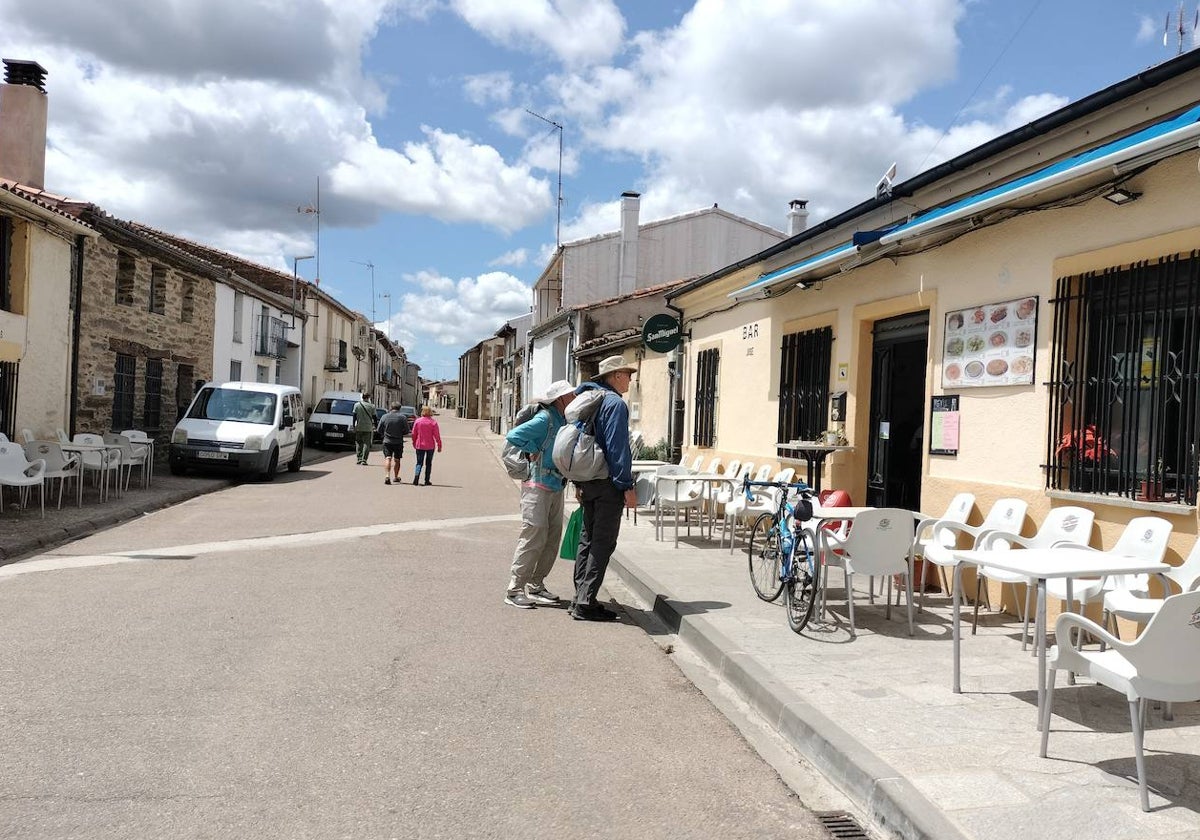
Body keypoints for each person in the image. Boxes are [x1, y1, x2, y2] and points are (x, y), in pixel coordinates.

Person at [570, 355, 638, 622]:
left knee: (587, 539)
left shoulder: (589, 402)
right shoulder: (614, 404)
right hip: (607, 483)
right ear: (615, 376)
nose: (630, 379)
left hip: (587, 479)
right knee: (603, 542)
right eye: (627, 374)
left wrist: (577, 482)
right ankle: (586, 604)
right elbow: (617, 448)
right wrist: (626, 485)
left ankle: (580, 597)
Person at [503, 380, 576, 609]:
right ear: (561, 399)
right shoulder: (545, 418)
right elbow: (515, 435)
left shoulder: (563, 419)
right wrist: (534, 450)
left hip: (555, 485)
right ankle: (515, 589)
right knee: (533, 536)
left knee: (551, 539)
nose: (574, 398)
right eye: (571, 395)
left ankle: (536, 585)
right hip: (537, 486)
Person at [376, 402, 410, 485]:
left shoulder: (384, 416)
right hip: (398, 442)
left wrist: (384, 433)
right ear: (399, 408)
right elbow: (406, 430)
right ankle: (396, 476)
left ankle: (387, 476)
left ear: (391, 407)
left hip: (387, 441)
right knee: (397, 459)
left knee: (388, 458)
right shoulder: (402, 417)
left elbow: (378, 429)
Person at [410, 405, 442, 485]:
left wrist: (414, 442)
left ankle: (416, 478)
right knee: (428, 463)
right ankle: (427, 480)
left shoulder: (418, 421)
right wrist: (439, 445)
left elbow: (414, 433)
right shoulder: (433, 422)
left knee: (419, 462)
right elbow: (437, 435)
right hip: (430, 445)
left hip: (420, 445)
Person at [352, 392, 377, 465]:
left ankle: (359, 458)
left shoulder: (357, 405)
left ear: (362, 397)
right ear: (368, 398)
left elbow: (354, 416)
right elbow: (374, 417)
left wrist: (354, 425)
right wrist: (375, 425)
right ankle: (364, 460)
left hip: (359, 426)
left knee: (359, 443)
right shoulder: (372, 406)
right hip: (368, 428)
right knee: (367, 444)